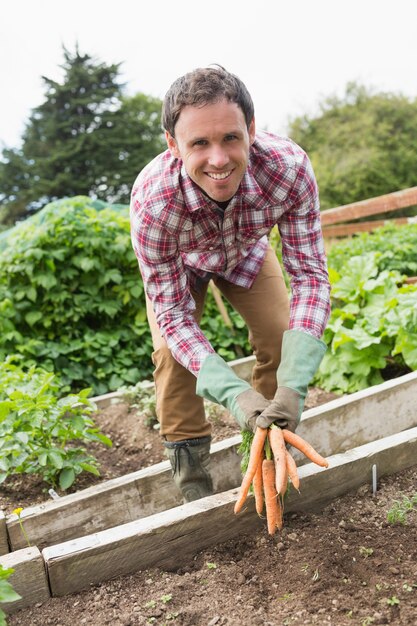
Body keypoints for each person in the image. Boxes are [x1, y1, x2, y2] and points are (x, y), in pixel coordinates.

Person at [130, 65, 331, 502]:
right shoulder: (153, 203)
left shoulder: (288, 170)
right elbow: (172, 315)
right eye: (199, 143)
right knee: (171, 357)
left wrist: (294, 384)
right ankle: (194, 487)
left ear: (251, 130)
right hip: (182, 265)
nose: (218, 159)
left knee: (282, 333)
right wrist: (232, 392)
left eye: (230, 138)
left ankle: (264, 454)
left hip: (245, 253)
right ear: (173, 145)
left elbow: (311, 278)